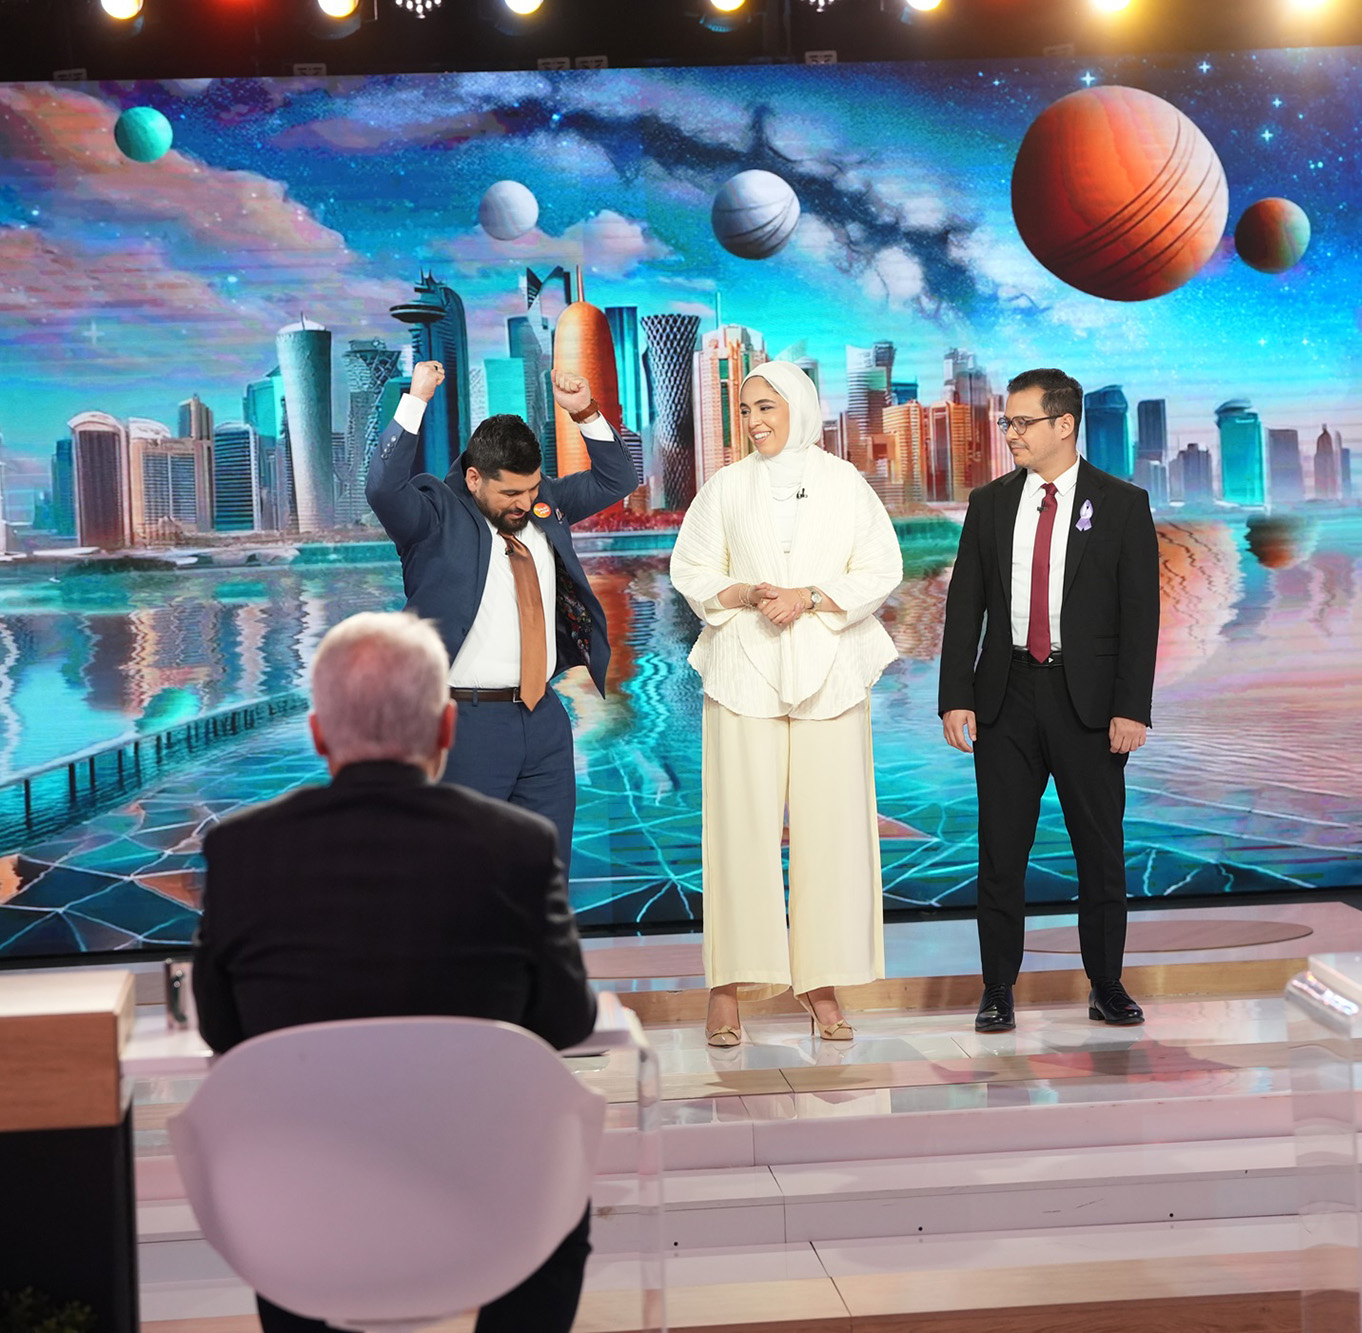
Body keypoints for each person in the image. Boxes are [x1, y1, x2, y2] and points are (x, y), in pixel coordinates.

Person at [193, 611, 596, 1333]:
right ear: (447, 728)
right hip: (483, 1194)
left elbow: (224, 1032)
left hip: (303, 1202)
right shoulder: (519, 845)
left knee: (275, 1191)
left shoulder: (240, 850)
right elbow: (568, 1022)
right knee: (561, 1190)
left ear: (319, 734)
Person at [668, 361, 903, 1047]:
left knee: (833, 831)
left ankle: (822, 984)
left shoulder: (845, 482)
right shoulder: (725, 486)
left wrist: (812, 597)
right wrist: (746, 592)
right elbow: (692, 569)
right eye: (745, 409)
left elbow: (880, 567)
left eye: (766, 406)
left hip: (832, 669)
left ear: (798, 406)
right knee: (738, 831)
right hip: (743, 669)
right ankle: (727, 989)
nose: (754, 421)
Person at [938, 367, 1161, 1033]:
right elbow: (964, 606)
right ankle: (997, 989)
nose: (1010, 433)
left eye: (1022, 421)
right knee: (1001, 853)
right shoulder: (990, 503)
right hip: (1005, 695)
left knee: (1101, 852)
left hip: (1087, 702)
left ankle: (1107, 984)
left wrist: (1132, 708)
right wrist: (955, 696)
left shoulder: (1122, 503)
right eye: (1006, 421)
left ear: (1065, 424)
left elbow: (1140, 615)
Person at [365, 360, 636, 862]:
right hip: (464, 725)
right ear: (473, 478)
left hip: (544, 720)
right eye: (510, 492)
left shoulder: (544, 503)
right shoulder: (433, 515)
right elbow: (382, 488)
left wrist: (585, 412)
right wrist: (416, 399)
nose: (524, 503)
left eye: (531, 488)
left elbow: (617, 478)